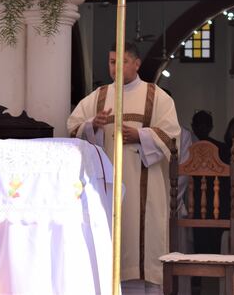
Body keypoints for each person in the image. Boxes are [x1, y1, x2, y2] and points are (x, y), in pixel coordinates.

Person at [67, 41, 180, 287]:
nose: (116, 67)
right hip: (106, 184)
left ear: (136, 64)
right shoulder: (99, 97)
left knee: (142, 247)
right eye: (112, 61)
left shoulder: (155, 96)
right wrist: (92, 125)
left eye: (122, 61)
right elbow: (73, 126)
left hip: (145, 186)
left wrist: (140, 135)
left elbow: (172, 136)